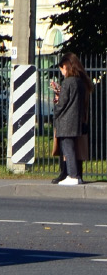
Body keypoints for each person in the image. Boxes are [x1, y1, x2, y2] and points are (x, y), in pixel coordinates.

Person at [52, 53, 93, 186]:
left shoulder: (68, 82)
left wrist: (56, 111)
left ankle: (72, 175)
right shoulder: (81, 82)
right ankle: (76, 175)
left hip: (66, 120)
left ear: (66, 66)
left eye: (62, 69)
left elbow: (63, 102)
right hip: (77, 120)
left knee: (68, 148)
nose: (62, 73)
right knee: (74, 148)